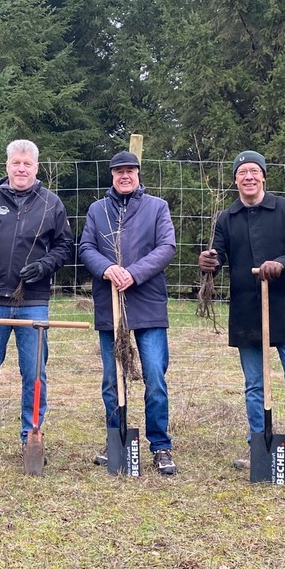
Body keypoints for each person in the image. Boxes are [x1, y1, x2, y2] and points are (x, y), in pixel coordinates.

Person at [198, 151, 285, 486]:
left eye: (254, 171)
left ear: (264, 177)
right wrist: (209, 261)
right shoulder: (227, 218)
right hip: (247, 309)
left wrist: (281, 264)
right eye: (242, 173)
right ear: (236, 180)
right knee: (255, 385)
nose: (249, 177)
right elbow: (219, 255)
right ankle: (260, 445)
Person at [0, 140, 74, 461]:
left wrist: (44, 266)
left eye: (27, 164)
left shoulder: (51, 204)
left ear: (36, 167)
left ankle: (30, 436)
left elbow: (65, 246)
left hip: (33, 301)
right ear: (7, 166)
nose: (21, 169)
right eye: (16, 163)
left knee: (34, 372)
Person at [79, 151, 177, 475]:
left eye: (130, 171)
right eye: (119, 171)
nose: (125, 176)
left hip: (147, 301)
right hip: (110, 303)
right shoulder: (97, 210)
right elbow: (86, 248)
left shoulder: (156, 208)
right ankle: (116, 438)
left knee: (154, 376)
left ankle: (160, 446)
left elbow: (166, 247)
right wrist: (108, 268)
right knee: (112, 378)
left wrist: (133, 273)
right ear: (112, 175)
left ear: (138, 174)